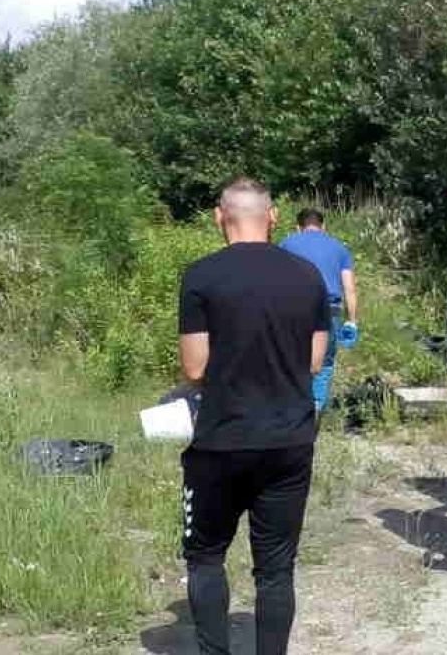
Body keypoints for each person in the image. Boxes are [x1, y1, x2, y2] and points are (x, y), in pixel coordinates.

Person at [178, 176, 330, 655]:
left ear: (219, 216)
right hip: (288, 441)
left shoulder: (201, 276)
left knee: (204, 557)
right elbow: (312, 361)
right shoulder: (307, 275)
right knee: (275, 568)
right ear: (273, 216)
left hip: (220, 442)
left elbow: (195, 367)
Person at [278, 207, 358, 412]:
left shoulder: (286, 243)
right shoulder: (339, 248)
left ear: (298, 227)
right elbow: (349, 288)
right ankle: (315, 409)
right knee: (324, 363)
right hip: (328, 310)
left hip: (293, 309)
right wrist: (352, 320)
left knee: (292, 358)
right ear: (324, 226)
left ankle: (291, 406)